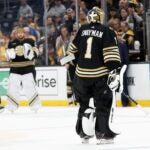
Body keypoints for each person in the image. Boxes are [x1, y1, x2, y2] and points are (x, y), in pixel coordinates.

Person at [60, 7, 122, 144]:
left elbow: (71, 53)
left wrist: (70, 63)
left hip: (81, 76)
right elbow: (110, 56)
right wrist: (115, 72)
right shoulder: (107, 31)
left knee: (83, 105)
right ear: (101, 17)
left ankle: (83, 133)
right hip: (99, 75)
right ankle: (103, 134)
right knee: (102, 104)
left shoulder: (82, 30)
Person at [5, 27, 40, 113]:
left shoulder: (30, 41)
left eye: (22, 33)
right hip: (15, 69)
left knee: (30, 87)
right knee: (13, 87)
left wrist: (32, 54)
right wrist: (9, 55)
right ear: (16, 34)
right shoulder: (11, 43)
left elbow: (37, 52)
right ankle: (11, 107)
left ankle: (35, 106)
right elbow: (8, 56)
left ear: (24, 33)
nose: (20, 34)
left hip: (28, 68)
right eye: (18, 33)